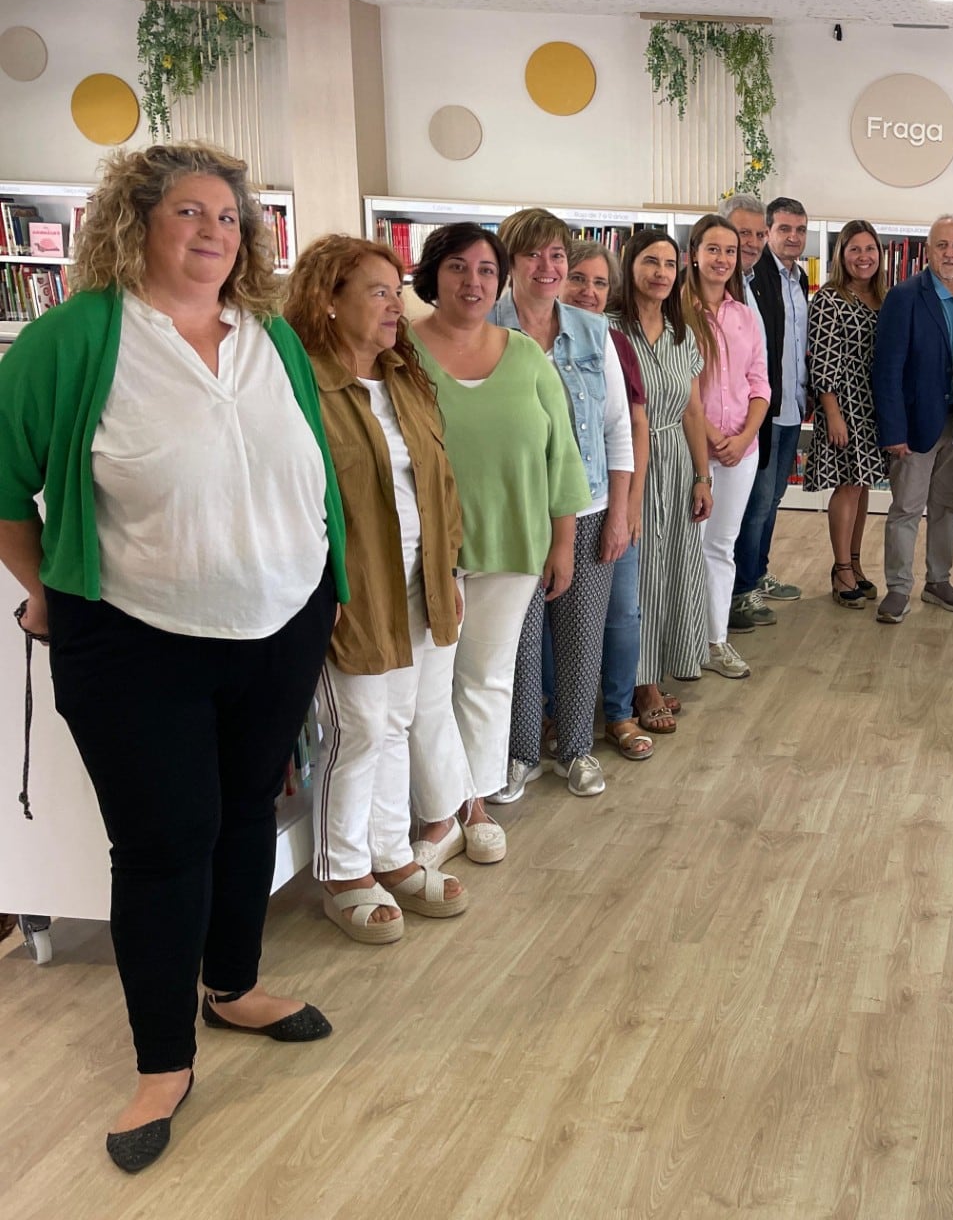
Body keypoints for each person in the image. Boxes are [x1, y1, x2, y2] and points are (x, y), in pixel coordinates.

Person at [0, 143, 346, 1171]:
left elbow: (308, 471)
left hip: (279, 624)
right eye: (189, 212)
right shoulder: (73, 341)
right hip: (135, 638)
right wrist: (48, 596)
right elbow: (5, 491)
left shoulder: (270, 337)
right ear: (133, 221)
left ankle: (232, 986)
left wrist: (324, 591)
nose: (213, 232)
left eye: (230, 218)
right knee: (164, 845)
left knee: (247, 811)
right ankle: (163, 1060)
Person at [285, 236, 469, 943]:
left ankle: (390, 855)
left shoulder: (402, 375)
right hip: (352, 588)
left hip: (419, 581)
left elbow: (440, 477)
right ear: (327, 301)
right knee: (358, 728)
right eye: (378, 292)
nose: (398, 306)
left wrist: (450, 569)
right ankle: (341, 871)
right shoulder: (305, 384)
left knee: (398, 722)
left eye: (398, 290)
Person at [411, 224, 588, 849]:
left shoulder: (525, 355)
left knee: (487, 678)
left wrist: (562, 542)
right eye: (459, 268)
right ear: (432, 274)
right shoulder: (400, 353)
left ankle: (477, 802)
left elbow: (562, 456)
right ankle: (441, 809)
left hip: (514, 544)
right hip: (426, 553)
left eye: (487, 271)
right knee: (427, 688)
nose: (474, 282)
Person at [491, 208, 633, 798]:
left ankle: (575, 749)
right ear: (509, 263)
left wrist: (621, 511)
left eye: (557, 256)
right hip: (514, 516)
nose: (546, 268)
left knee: (581, 637)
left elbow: (617, 428)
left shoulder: (595, 333)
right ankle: (519, 752)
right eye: (532, 255)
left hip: (592, 504)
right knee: (517, 643)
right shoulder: (484, 327)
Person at [615, 230, 713, 731]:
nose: (660, 272)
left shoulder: (683, 333)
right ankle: (638, 685)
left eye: (670, 264)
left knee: (671, 569)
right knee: (638, 577)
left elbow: (694, 411)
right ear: (630, 265)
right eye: (650, 262)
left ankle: (654, 669)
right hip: (629, 463)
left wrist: (703, 476)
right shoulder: (610, 329)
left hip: (676, 459)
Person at [872, 214, 953, 623]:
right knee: (906, 507)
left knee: (947, 506)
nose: (950, 253)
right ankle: (898, 589)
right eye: (942, 245)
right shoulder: (904, 297)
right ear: (928, 250)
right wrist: (894, 431)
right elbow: (886, 370)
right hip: (917, 424)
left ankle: (938, 581)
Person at [566, 240, 654, 761]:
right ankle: (558, 716)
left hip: (609, 497)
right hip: (556, 505)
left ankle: (618, 712)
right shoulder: (530, 338)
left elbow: (632, 427)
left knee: (621, 612)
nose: (589, 293)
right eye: (580, 278)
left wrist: (631, 504)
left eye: (600, 283)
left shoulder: (613, 342)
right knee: (560, 619)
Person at [683, 213, 769, 679]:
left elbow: (760, 381)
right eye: (713, 249)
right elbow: (680, 384)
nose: (722, 259)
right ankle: (684, 640)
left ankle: (716, 640)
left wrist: (744, 436)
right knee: (687, 546)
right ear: (694, 253)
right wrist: (714, 439)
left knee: (721, 547)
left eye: (729, 251)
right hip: (693, 448)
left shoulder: (742, 314)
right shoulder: (678, 310)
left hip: (741, 450)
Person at [733, 194, 811, 623]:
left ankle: (757, 573)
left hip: (792, 407)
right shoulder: (751, 276)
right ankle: (742, 589)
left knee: (774, 497)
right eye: (782, 229)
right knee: (756, 502)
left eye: (800, 230)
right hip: (760, 411)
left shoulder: (798, 279)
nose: (792, 237)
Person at [805, 221, 891, 606]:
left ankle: (855, 564)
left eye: (870, 249)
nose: (863, 257)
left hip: (875, 404)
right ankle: (840, 569)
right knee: (847, 485)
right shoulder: (829, 298)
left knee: (864, 483)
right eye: (854, 249)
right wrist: (832, 413)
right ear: (841, 255)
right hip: (842, 401)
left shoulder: (883, 297)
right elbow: (821, 360)